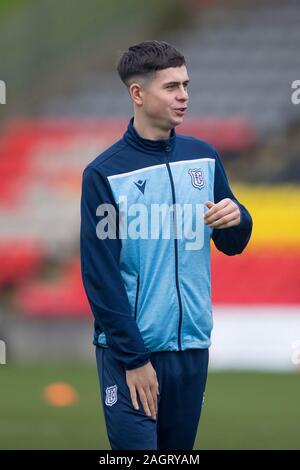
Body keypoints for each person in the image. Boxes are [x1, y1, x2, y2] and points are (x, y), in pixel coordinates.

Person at [80, 40, 252, 450]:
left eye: (186, 84)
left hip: (192, 349)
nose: (184, 96)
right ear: (138, 94)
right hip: (132, 354)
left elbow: (231, 242)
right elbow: (100, 277)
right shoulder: (104, 174)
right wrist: (135, 360)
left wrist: (239, 218)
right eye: (171, 87)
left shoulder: (204, 158)